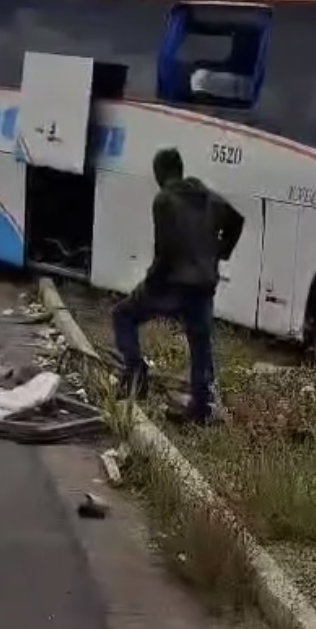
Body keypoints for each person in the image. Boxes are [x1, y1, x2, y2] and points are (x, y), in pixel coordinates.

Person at [112, 147, 245, 425]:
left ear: (160, 173)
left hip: (172, 284)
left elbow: (166, 249)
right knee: (200, 343)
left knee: (123, 314)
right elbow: (236, 221)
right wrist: (219, 253)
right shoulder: (208, 197)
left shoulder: (164, 200)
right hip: (203, 285)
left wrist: (151, 281)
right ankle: (200, 409)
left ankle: (135, 375)